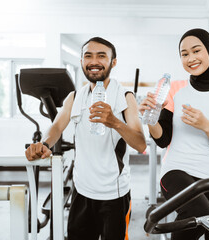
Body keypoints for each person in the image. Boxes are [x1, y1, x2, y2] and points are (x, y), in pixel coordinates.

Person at [25, 37, 146, 240]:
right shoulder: (76, 96)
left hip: (113, 194)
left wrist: (115, 122)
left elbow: (141, 143)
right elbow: (56, 126)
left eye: (101, 56)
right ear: (81, 61)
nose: (94, 61)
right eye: (88, 56)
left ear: (113, 62)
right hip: (81, 191)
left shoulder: (125, 96)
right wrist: (44, 144)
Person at [139, 28, 209, 240]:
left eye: (196, 51)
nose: (191, 58)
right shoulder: (174, 89)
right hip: (176, 171)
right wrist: (150, 119)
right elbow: (163, 139)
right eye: (184, 54)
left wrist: (206, 125)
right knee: (199, 212)